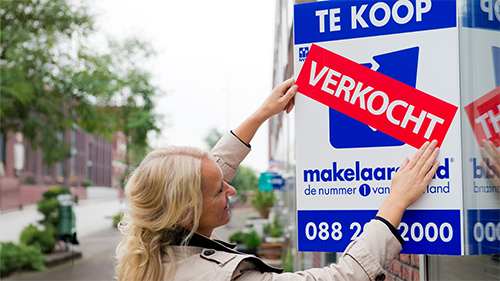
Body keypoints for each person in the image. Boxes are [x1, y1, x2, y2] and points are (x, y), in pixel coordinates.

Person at [114, 78, 440, 281]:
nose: (232, 189)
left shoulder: (154, 253)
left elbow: (206, 172)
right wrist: (395, 201)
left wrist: (262, 113)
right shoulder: (224, 277)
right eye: (219, 190)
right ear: (185, 214)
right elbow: (344, 276)